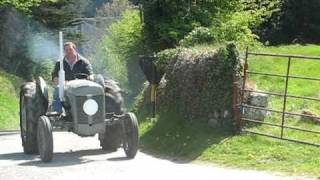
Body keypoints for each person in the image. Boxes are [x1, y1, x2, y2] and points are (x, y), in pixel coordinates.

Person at [51, 42, 94, 113]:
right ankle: (57, 113)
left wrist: (90, 78)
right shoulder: (59, 63)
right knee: (58, 89)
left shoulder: (84, 62)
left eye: (70, 49)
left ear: (74, 49)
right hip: (66, 87)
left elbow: (91, 75)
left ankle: (91, 111)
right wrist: (63, 82)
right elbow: (55, 78)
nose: (68, 52)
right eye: (66, 50)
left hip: (81, 86)